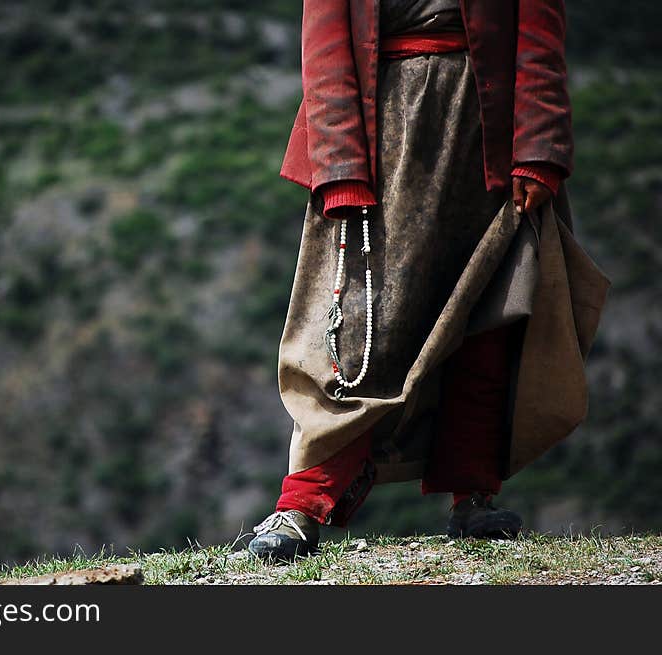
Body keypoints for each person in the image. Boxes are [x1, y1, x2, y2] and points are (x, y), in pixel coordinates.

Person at [247, 0, 611, 561]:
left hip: (485, 139)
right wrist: (341, 168)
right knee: (357, 330)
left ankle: (473, 496)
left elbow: (539, 35)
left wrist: (538, 151)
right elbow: (325, 50)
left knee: (491, 311)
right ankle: (302, 506)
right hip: (381, 139)